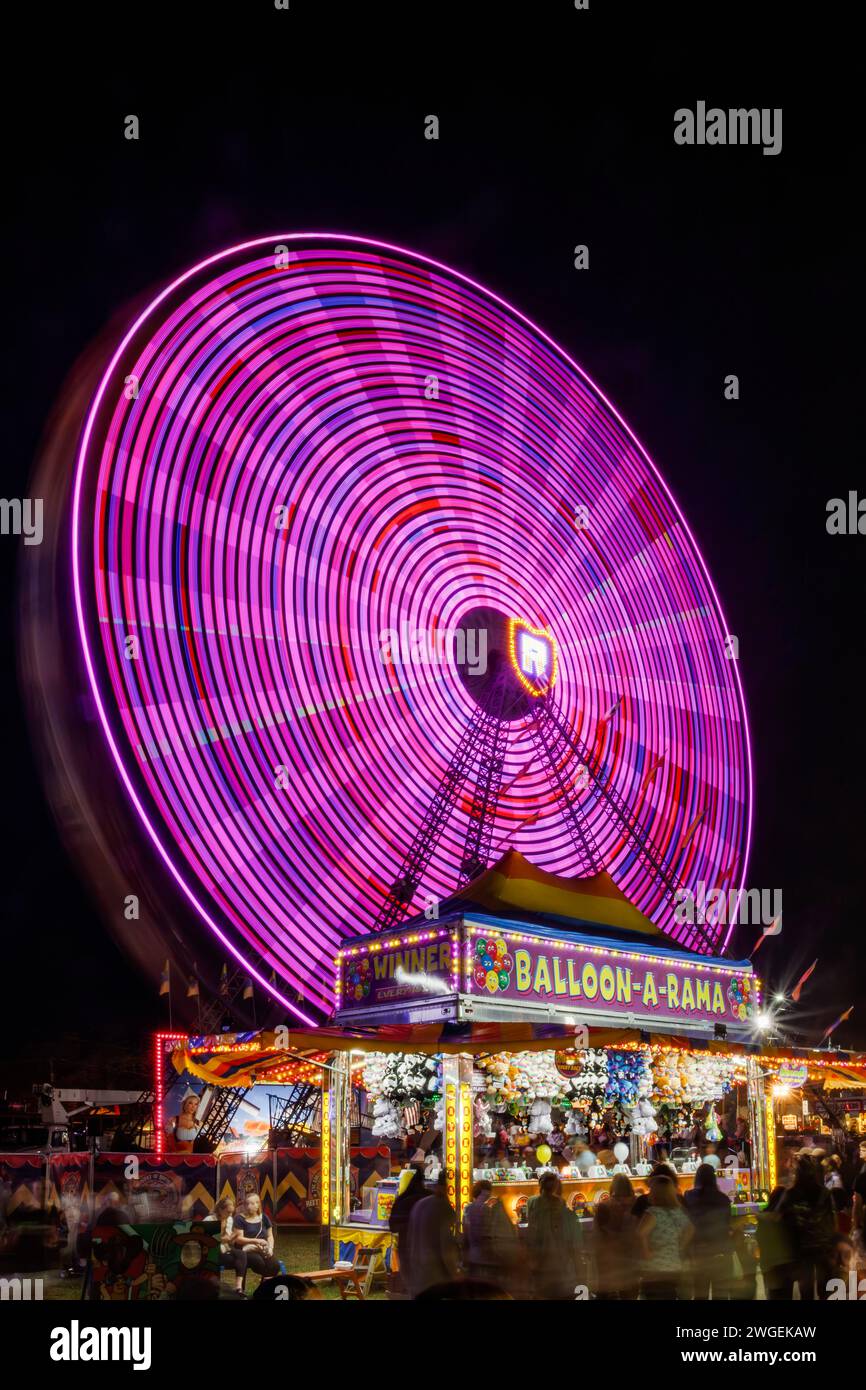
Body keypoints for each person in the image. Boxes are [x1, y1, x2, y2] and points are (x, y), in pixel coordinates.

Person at [778, 1153, 836, 1300]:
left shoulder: (790, 1194)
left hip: (801, 1249)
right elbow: (831, 1220)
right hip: (823, 1247)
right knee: (825, 1290)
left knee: (806, 1291)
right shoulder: (824, 1193)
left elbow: (781, 1220)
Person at [525, 1172, 583, 1300]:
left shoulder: (533, 1204)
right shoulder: (567, 1213)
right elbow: (576, 1246)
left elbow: (531, 1236)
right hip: (563, 1266)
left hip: (542, 1265)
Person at [637, 1172, 692, 1299]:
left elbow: (640, 1233)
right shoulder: (678, 1212)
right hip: (674, 1265)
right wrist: (681, 1246)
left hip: (655, 1267)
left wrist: (646, 1252)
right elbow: (690, 1229)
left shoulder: (653, 1213)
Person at [405, 1172, 460, 1298]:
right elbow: (446, 1245)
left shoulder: (420, 1204)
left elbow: (409, 1239)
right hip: (434, 1274)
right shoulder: (441, 1207)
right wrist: (454, 1272)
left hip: (417, 1270)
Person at [684, 1162, 733, 1300]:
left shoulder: (689, 1196)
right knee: (720, 1294)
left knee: (700, 1293)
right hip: (720, 1252)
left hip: (698, 1252)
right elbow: (727, 1223)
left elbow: (686, 1223)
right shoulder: (723, 1199)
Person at [462, 1180, 520, 1292]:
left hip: (473, 1257)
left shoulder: (468, 1209)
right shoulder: (487, 1210)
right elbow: (491, 1235)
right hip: (487, 1259)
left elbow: (466, 1234)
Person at [592, 1174, 638, 1300]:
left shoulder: (604, 1206)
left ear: (613, 1186)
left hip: (609, 1256)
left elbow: (598, 1233)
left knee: (605, 1292)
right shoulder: (637, 1204)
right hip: (631, 1254)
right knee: (630, 1292)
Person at [388, 1165, 427, 1297]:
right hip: (427, 1249)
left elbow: (393, 1227)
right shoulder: (430, 1197)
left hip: (407, 1248)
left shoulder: (402, 1200)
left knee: (411, 1284)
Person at [232, 1192, 280, 1292]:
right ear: (244, 1205)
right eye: (248, 1204)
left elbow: (270, 1236)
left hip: (262, 1249)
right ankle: (241, 1291)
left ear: (258, 1204)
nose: (250, 1206)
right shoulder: (239, 1219)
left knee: (275, 1266)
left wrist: (270, 1248)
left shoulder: (264, 1218)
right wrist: (255, 1241)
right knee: (258, 1261)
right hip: (245, 1250)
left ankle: (263, 1289)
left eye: (253, 1203)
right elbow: (239, 1239)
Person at [755, 1186, 796, 1299]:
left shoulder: (763, 1219)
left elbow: (759, 1239)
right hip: (786, 1265)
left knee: (773, 1296)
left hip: (769, 1265)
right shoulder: (788, 1219)